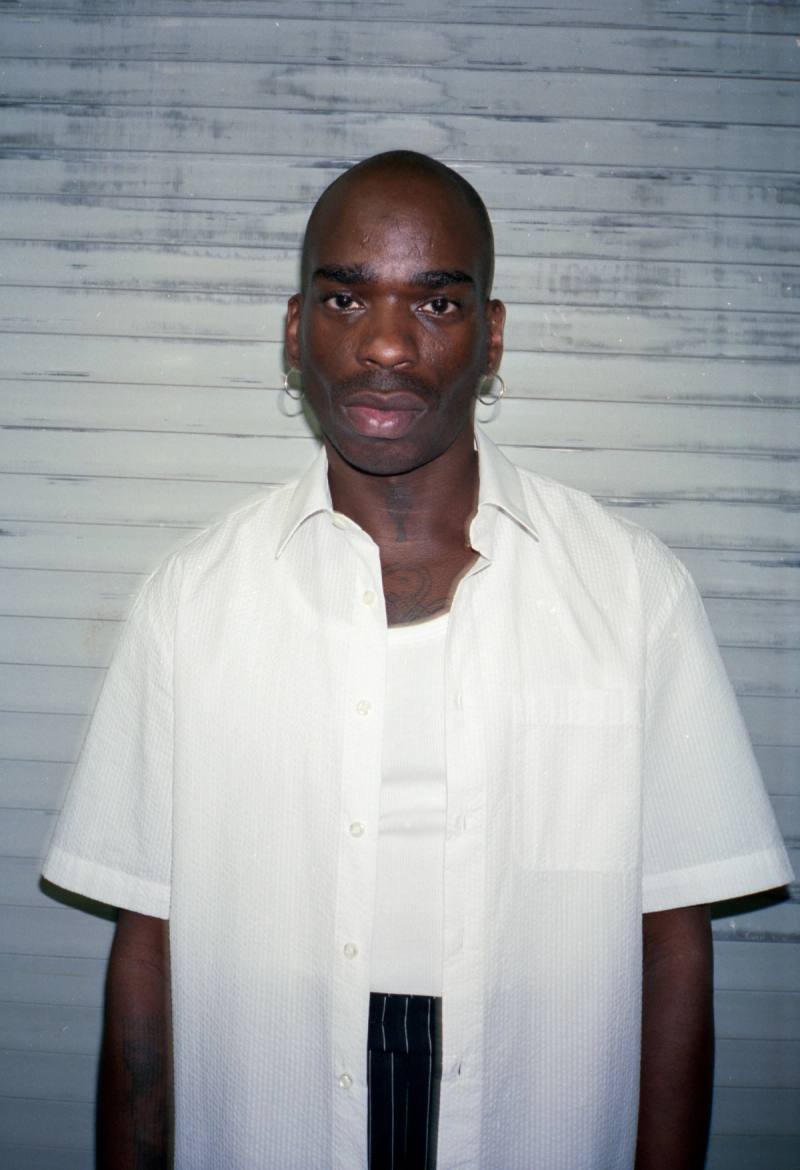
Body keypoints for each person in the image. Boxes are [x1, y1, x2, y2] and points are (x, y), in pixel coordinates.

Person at [43, 151, 792, 1170]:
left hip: (533, 1112)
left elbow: (673, 943)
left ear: (491, 337)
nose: (386, 344)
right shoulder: (191, 600)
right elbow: (147, 941)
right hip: (275, 1108)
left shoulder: (629, 592)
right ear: (295, 330)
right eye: (345, 298)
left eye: (435, 304)